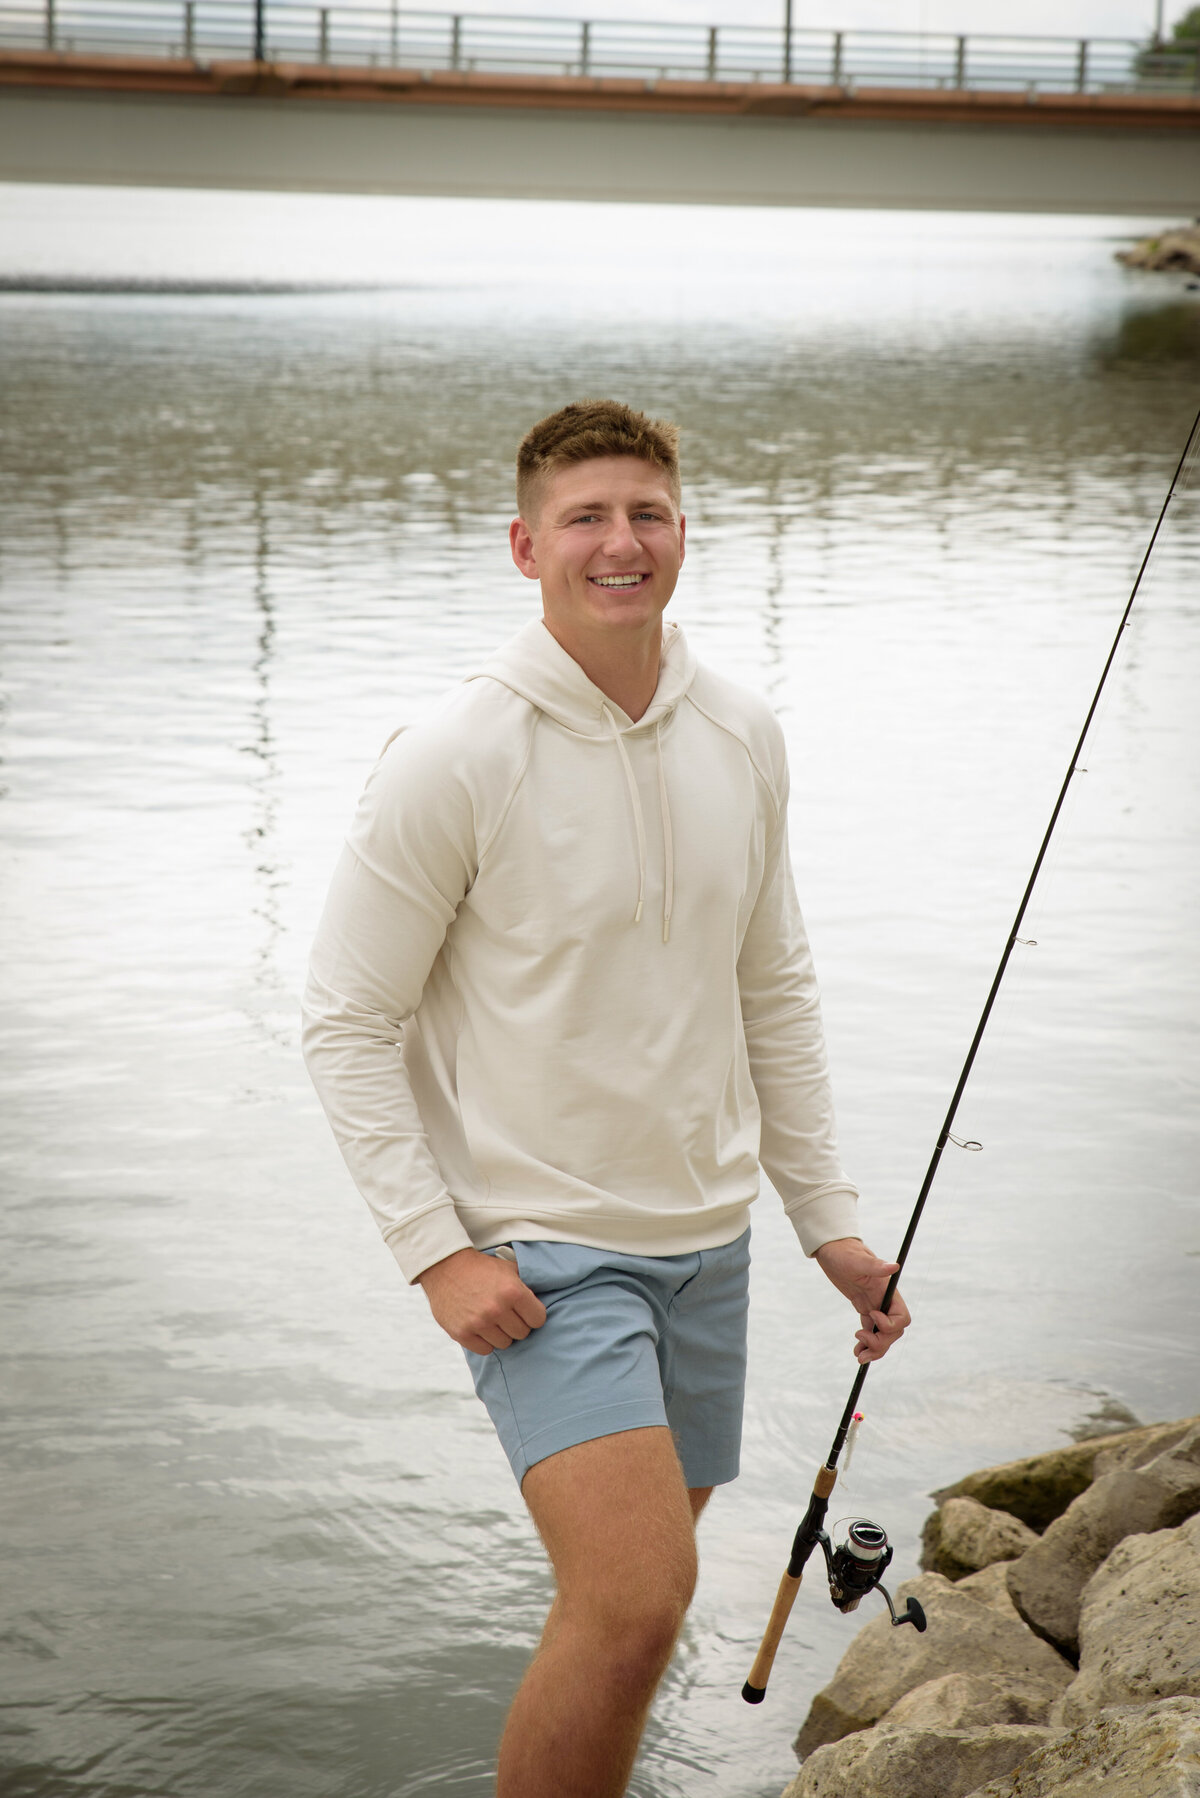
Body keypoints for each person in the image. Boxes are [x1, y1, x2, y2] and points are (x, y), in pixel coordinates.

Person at [302, 399, 910, 1798]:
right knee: (635, 1602)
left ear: (683, 533)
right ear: (526, 546)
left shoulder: (743, 732)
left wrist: (829, 1225)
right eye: (586, 517)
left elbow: (776, 987)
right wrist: (434, 1250)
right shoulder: (454, 754)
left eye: (646, 512)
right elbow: (346, 1020)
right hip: (543, 1256)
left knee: (624, 1610)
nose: (619, 542)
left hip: (710, 1247)